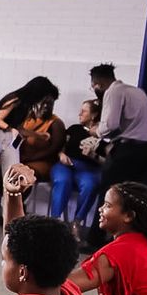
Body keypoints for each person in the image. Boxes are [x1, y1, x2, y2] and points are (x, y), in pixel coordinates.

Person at [88, 62, 147, 196]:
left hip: (128, 151)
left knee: (110, 194)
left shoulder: (113, 91)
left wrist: (95, 131)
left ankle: (101, 218)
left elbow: (110, 125)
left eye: (93, 87)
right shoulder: (137, 91)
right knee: (134, 195)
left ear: (99, 83)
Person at [0, 77, 63, 194]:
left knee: (13, 173)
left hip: (11, 140)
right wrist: (10, 129)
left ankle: (10, 205)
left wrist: (38, 135)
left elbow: (20, 129)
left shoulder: (27, 106)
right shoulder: (15, 99)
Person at [50, 99, 103, 240]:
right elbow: (60, 146)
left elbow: (105, 160)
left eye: (84, 111)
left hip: (87, 168)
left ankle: (77, 222)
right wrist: (61, 154)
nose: (79, 114)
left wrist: (93, 155)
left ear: (94, 115)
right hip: (65, 165)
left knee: (91, 184)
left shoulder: (102, 135)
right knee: (62, 180)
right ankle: (54, 223)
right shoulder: (74, 128)